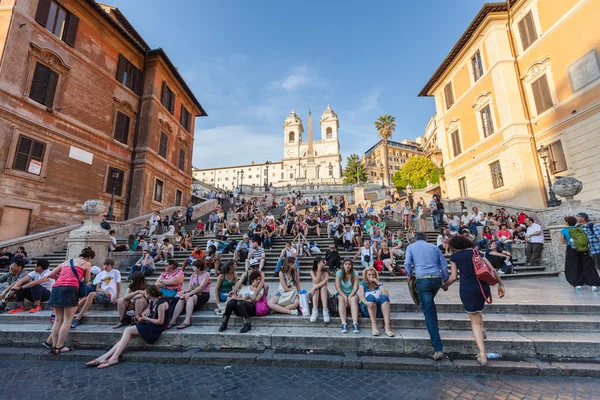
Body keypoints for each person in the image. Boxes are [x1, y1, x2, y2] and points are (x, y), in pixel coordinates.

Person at [444, 235, 505, 366]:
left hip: (468, 289)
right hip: (483, 288)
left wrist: (445, 285)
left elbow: (454, 277)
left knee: (474, 322)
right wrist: (501, 284)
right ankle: (483, 332)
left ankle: (482, 355)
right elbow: (492, 269)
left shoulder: (455, 257)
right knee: (478, 312)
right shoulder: (476, 252)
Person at [85, 285, 171, 369]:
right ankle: (105, 357)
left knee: (128, 330)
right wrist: (141, 317)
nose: (144, 293)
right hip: (151, 325)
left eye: (145, 292)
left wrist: (145, 318)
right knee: (127, 336)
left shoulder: (161, 304)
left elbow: (160, 321)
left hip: (156, 328)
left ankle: (113, 358)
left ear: (149, 293)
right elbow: (151, 313)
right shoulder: (153, 301)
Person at [404, 232, 449, 360]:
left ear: (415, 239)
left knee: (427, 311)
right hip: (436, 278)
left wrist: (409, 273)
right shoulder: (434, 247)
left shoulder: (411, 247)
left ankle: (438, 348)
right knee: (430, 306)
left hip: (422, 279)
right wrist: (444, 280)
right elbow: (444, 265)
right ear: (426, 238)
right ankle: (436, 329)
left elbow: (407, 264)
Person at [45, 247, 94, 354]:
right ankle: (60, 346)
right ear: (89, 258)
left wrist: (62, 277)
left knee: (58, 320)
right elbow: (86, 280)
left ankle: (54, 346)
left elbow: (50, 275)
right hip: (70, 289)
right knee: (68, 319)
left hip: (56, 288)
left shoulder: (66, 262)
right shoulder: (86, 264)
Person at [72, 259, 121, 329]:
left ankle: (78, 318)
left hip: (111, 295)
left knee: (91, 294)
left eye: (107, 265)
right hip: (102, 293)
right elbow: (97, 288)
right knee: (85, 299)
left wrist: (118, 297)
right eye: (104, 265)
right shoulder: (100, 274)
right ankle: (73, 312)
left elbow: (118, 285)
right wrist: (104, 291)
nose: (105, 267)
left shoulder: (116, 272)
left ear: (111, 266)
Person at [560, 216, 600, 291]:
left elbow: (562, 241)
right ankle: (593, 284)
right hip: (583, 249)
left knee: (573, 266)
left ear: (567, 223)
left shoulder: (564, 230)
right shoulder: (580, 228)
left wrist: (569, 241)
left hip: (571, 249)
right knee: (588, 265)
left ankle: (577, 284)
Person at [169, 260, 211, 330]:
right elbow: (190, 288)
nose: (192, 268)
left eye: (194, 266)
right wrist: (184, 292)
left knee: (190, 297)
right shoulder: (193, 276)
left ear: (199, 267)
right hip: (194, 293)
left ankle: (187, 320)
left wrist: (190, 293)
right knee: (182, 297)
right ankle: (173, 320)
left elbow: (201, 287)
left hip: (203, 294)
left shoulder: (206, 274)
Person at [358, 267, 394, 337]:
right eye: (369, 275)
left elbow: (387, 294)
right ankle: (374, 327)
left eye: (373, 275)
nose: (371, 276)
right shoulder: (362, 284)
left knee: (384, 297)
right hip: (367, 309)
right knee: (370, 297)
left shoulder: (379, 284)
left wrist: (378, 283)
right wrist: (366, 303)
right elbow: (361, 297)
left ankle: (387, 327)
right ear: (366, 276)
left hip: (378, 310)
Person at [335, 258, 360, 334]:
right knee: (341, 298)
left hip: (352, 293)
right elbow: (338, 287)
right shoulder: (339, 273)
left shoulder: (355, 274)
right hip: (342, 293)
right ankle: (344, 323)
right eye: (346, 264)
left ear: (351, 265)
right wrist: (345, 297)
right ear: (343, 265)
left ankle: (355, 323)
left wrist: (349, 296)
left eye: (349, 264)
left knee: (353, 299)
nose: (348, 266)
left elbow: (356, 288)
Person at [309, 257, 330, 323]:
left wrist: (314, 287)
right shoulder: (312, 271)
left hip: (324, 293)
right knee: (317, 287)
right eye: (322, 262)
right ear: (318, 263)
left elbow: (325, 281)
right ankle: (314, 311)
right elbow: (316, 281)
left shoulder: (326, 272)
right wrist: (319, 269)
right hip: (315, 294)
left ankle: (325, 311)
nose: (324, 263)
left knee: (322, 286)